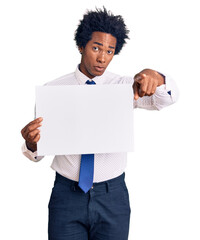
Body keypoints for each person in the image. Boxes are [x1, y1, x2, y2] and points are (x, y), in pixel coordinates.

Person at [21, 7, 179, 240]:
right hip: (66, 196)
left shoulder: (126, 87)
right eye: (96, 48)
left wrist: (157, 76)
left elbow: (167, 99)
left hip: (112, 196)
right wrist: (31, 143)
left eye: (110, 51)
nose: (102, 57)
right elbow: (39, 153)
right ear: (81, 46)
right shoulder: (52, 90)